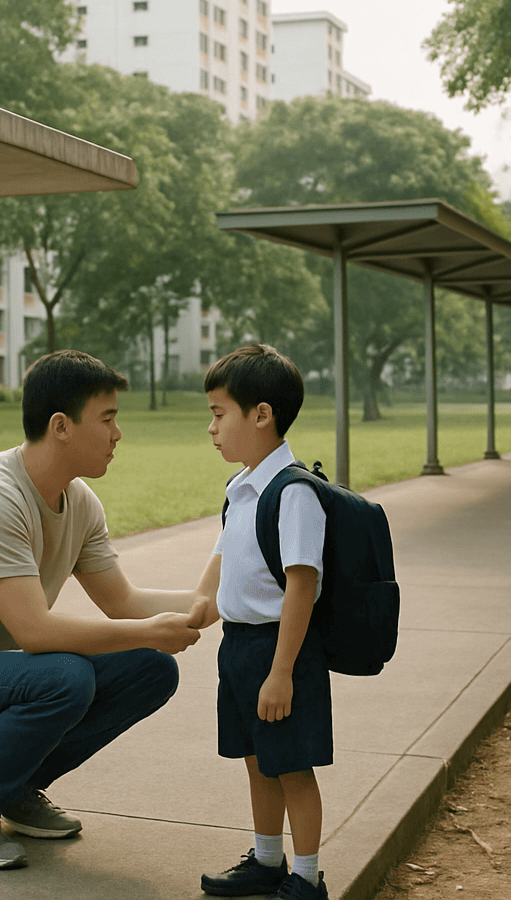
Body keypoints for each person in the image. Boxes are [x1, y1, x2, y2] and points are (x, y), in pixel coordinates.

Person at [0, 350, 204, 871]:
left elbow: (125, 603)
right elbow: (34, 631)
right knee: (63, 676)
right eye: (108, 419)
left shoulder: (80, 502)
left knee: (150, 668)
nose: (119, 434)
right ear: (61, 426)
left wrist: (226, 598)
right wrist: (145, 629)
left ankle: (15, 786)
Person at [187, 344, 331, 900]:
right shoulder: (240, 488)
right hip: (240, 647)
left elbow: (302, 583)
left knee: (292, 765)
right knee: (256, 760)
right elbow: (223, 555)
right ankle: (268, 860)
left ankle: (307, 876)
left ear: (262, 414)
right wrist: (202, 604)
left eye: (219, 413)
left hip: (282, 650)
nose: (211, 427)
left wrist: (282, 671)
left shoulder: (292, 492)